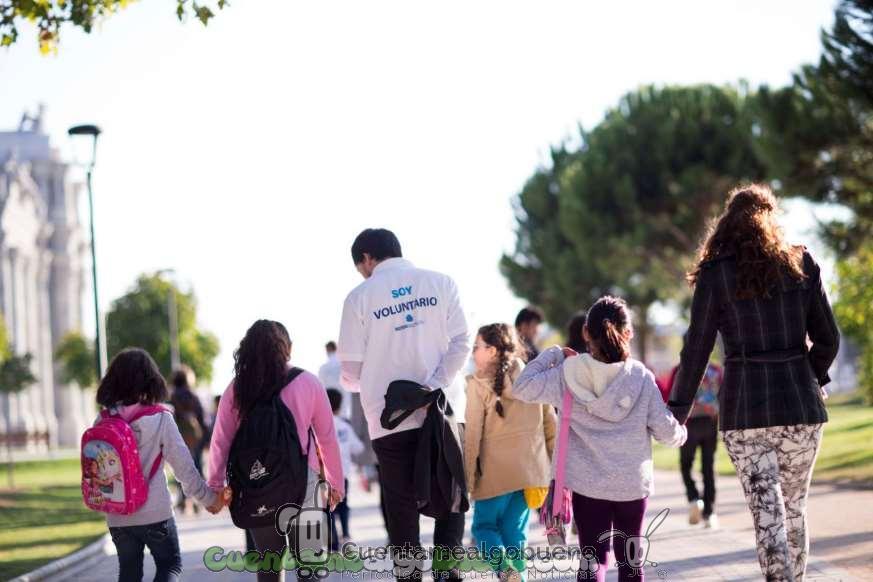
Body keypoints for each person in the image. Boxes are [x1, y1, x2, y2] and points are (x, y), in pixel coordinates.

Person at [668, 183, 840, 582]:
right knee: (794, 510)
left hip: (745, 413)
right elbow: (829, 338)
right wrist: (811, 376)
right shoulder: (802, 263)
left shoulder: (715, 274)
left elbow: (697, 348)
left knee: (768, 518)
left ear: (727, 224)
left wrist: (677, 411)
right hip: (800, 408)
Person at [514, 296, 687, 582]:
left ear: (585, 333)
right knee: (631, 563)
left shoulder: (567, 374)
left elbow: (522, 387)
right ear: (628, 333)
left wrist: (554, 354)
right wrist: (681, 432)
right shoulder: (641, 378)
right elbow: (667, 434)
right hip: (631, 486)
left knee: (592, 561)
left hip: (587, 486)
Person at [337, 228, 470, 582]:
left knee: (400, 507)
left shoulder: (359, 298)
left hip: (389, 420)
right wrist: (434, 383)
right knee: (449, 492)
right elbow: (462, 342)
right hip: (443, 411)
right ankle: (447, 573)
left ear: (367, 258)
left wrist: (372, 377)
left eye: (360, 266)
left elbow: (349, 372)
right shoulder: (442, 283)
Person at [208, 320, 344, 582]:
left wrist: (215, 487)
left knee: (269, 567)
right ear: (287, 349)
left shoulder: (236, 389)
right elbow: (327, 438)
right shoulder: (308, 382)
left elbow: (220, 441)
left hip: (257, 486)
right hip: (304, 484)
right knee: (310, 566)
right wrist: (336, 484)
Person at [95, 348, 223, 582]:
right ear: (151, 380)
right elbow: (184, 469)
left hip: (118, 515)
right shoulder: (161, 418)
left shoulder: (102, 421)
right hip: (155, 511)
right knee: (170, 566)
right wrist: (210, 500)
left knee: (129, 572)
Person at [464, 324, 556, 582]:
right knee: (515, 534)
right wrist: (555, 467)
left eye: (476, 347)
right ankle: (518, 577)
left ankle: (505, 570)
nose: (473, 354)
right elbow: (551, 424)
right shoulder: (535, 379)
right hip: (530, 473)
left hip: (494, 476)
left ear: (492, 350)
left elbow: (472, 435)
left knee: (483, 529)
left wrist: (468, 479)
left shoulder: (477, 384)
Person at [666, 361, 722, 528]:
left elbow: (669, 394)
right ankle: (709, 513)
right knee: (708, 467)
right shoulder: (715, 369)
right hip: (710, 422)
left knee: (685, 465)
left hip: (688, 423)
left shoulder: (680, 369)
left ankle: (693, 499)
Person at [326, 388, 364, 549]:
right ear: (340, 406)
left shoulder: (317, 425)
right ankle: (346, 533)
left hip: (325, 476)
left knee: (328, 508)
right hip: (344, 474)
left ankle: (333, 542)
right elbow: (358, 448)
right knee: (343, 504)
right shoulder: (344, 426)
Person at [168, 365, 207, 513]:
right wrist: (205, 439)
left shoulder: (172, 397)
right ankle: (199, 501)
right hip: (194, 438)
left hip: (178, 437)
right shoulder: (193, 395)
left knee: (180, 469)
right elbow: (202, 418)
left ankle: (184, 501)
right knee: (197, 468)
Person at [319, 341, 351, 419]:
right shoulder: (344, 365)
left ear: (328, 350)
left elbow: (321, 384)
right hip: (343, 405)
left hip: (330, 402)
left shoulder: (324, 367)